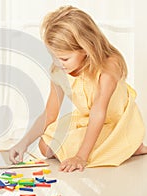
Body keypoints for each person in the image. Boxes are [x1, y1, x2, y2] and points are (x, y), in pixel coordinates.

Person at [9, 6, 147, 172]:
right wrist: (23, 143)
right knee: (46, 146)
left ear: (85, 48)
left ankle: (129, 145)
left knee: (80, 151)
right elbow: (49, 114)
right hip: (88, 119)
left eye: (64, 58)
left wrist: (81, 156)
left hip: (116, 122)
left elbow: (99, 110)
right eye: (53, 56)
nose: (58, 63)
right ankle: (121, 147)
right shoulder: (59, 70)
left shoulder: (109, 65)